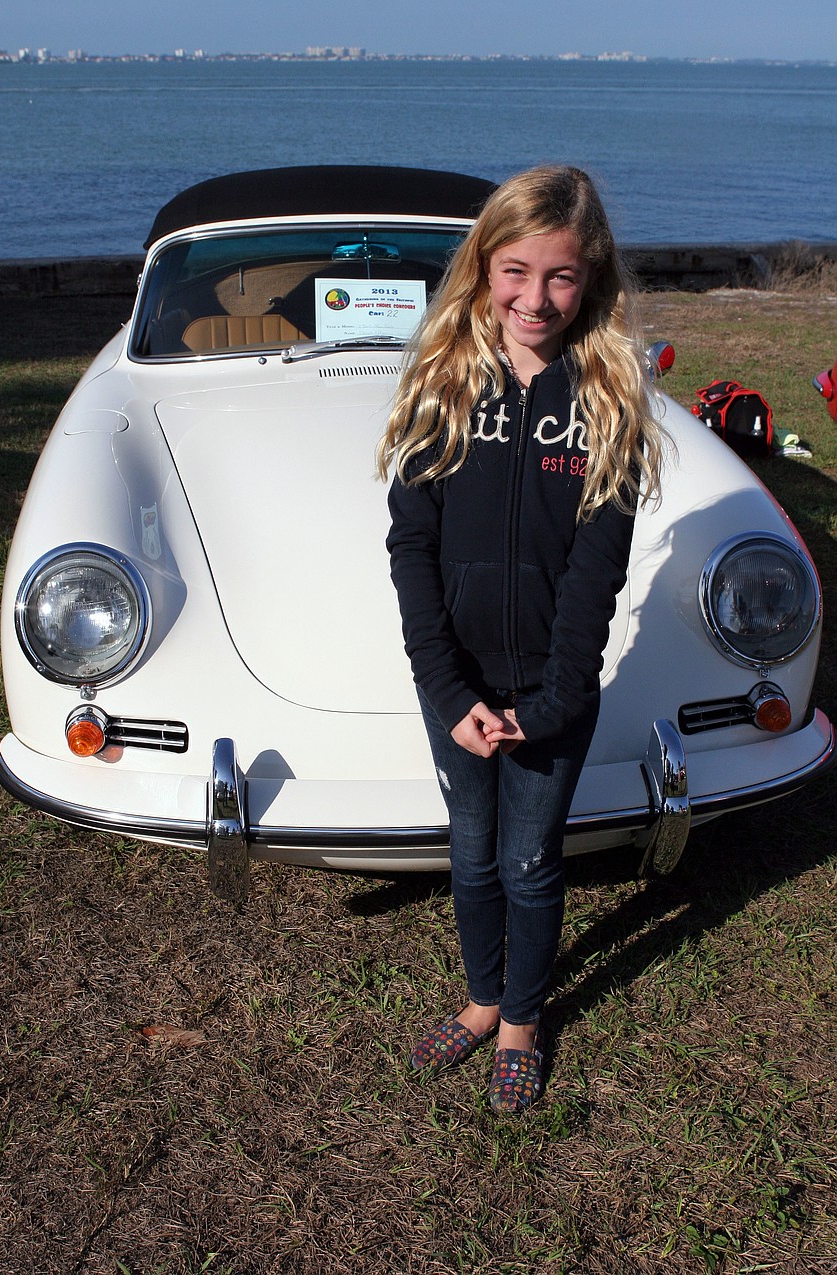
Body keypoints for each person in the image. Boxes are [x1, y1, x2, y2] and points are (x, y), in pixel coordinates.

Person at [377, 165, 664, 1112]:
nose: (534, 298)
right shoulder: (442, 382)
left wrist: (549, 702)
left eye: (561, 277)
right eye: (515, 270)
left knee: (532, 861)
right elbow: (411, 544)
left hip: (553, 690)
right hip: (455, 683)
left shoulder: (607, 400)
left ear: (593, 282)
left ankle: (521, 1020)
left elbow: (597, 569)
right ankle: (480, 995)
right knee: (471, 849)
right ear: (483, 266)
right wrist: (447, 690)